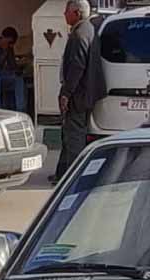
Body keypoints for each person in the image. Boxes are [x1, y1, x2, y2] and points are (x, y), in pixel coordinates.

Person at [51, 0, 105, 184]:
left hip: (78, 95)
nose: (64, 15)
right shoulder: (88, 29)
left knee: (74, 136)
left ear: (76, 13)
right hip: (84, 93)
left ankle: (73, 177)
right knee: (68, 132)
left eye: (66, 11)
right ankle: (62, 173)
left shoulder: (80, 34)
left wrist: (66, 93)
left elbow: (77, 67)